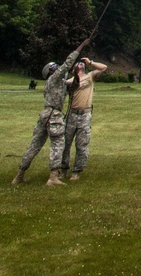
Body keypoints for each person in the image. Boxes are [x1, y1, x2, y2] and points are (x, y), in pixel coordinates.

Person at [12, 41, 88, 186]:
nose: (58, 68)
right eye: (55, 67)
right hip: (54, 116)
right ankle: (53, 177)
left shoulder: (58, 83)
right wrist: (81, 46)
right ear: (51, 71)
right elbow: (67, 64)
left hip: (45, 115)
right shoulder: (54, 79)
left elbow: (74, 86)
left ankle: (19, 176)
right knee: (58, 144)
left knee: (34, 145)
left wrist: (77, 74)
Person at [61, 55, 108, 180]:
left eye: (81, 64)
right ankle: (63, 170)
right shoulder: (69, 81)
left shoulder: (90, 77)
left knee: (82, 144)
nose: (80, 64)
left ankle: (76, 171)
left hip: (85, 114)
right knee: (65, 143)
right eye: (77, 64)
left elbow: (104, 68)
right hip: (72, 114)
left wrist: (90, 62)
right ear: (73, 70)